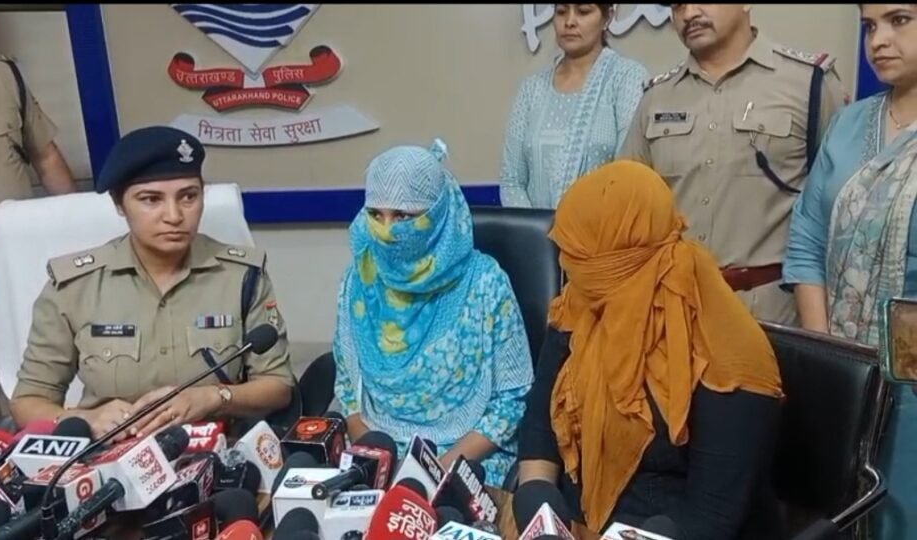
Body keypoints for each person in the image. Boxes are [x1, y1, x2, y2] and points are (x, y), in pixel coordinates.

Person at [517, 160, 784, 539]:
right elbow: (539, 431)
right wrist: (539, 507)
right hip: (578, 525)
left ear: (621, 256)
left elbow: (712, 517)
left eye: (584, 258)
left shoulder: (729, 356)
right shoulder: (581, 303)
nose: (569, 269)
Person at [10, 126, 294, 441]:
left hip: (217, 450)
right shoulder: (75, 286)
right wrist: (85, 418)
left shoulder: (242, 276)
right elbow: (28, 401)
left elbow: (278, 386)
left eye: (188, 196)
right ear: (119, 204)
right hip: (108, 454)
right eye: (151, 199)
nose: (174, 215)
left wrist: (214, 397)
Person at [617, 4, 847, 325]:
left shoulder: (809, 83)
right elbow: (627, 209)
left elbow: (843, 208)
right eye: (677, 6)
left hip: (771, 317)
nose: (689, 13)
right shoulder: (657, 97)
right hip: (676, 313)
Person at [782, 4, 917, 538]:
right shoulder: (848, 124)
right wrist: (831, 360)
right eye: (869, 26)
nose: (878, 39)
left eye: (899, 20)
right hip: (847, 385)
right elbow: (807, 241)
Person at [333, 139, 534, 487]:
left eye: (403, 216)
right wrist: (376, 459)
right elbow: (349, 388)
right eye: (376, 215)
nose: (387, 231)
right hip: (380, 456)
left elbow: (511, 403)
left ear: (437, 214)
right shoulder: (360, 279)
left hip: (465, 458)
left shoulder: (485, 283)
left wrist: (429, 474)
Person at [0, 49, 75, 440]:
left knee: (51, 383)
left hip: (29, 266)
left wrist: (79, 238)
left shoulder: (0, 74)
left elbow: (46, 157)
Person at [499, 3, 647, 209]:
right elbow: (512, 181)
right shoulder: (532, 88)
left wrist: (575, 228)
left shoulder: (626, 78)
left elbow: (629, 174)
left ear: (607, 17)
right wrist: (535, 227)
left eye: (583, 11)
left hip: (602, 227)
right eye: (561, 12)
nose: (569, 22)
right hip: (533, 228)